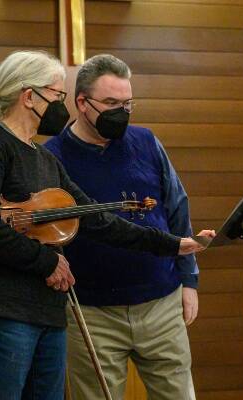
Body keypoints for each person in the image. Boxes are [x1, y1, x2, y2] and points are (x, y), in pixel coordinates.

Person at [0, 50, 213, 400]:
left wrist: (170, 244)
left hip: (48, 311)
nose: (61, 108)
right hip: (6, 309)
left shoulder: (44, 158)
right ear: (29, 97)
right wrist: (46, 260)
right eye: (58, 97)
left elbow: (96, 218)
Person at [45, 54, 202, 400]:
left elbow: (178, 209)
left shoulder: (147, 142)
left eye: (128, 103)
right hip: (91, 313)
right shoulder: (51, 156)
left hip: (161, 301)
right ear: (82, 103)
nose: (123, 112)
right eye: (112, 103)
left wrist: (189, 280)